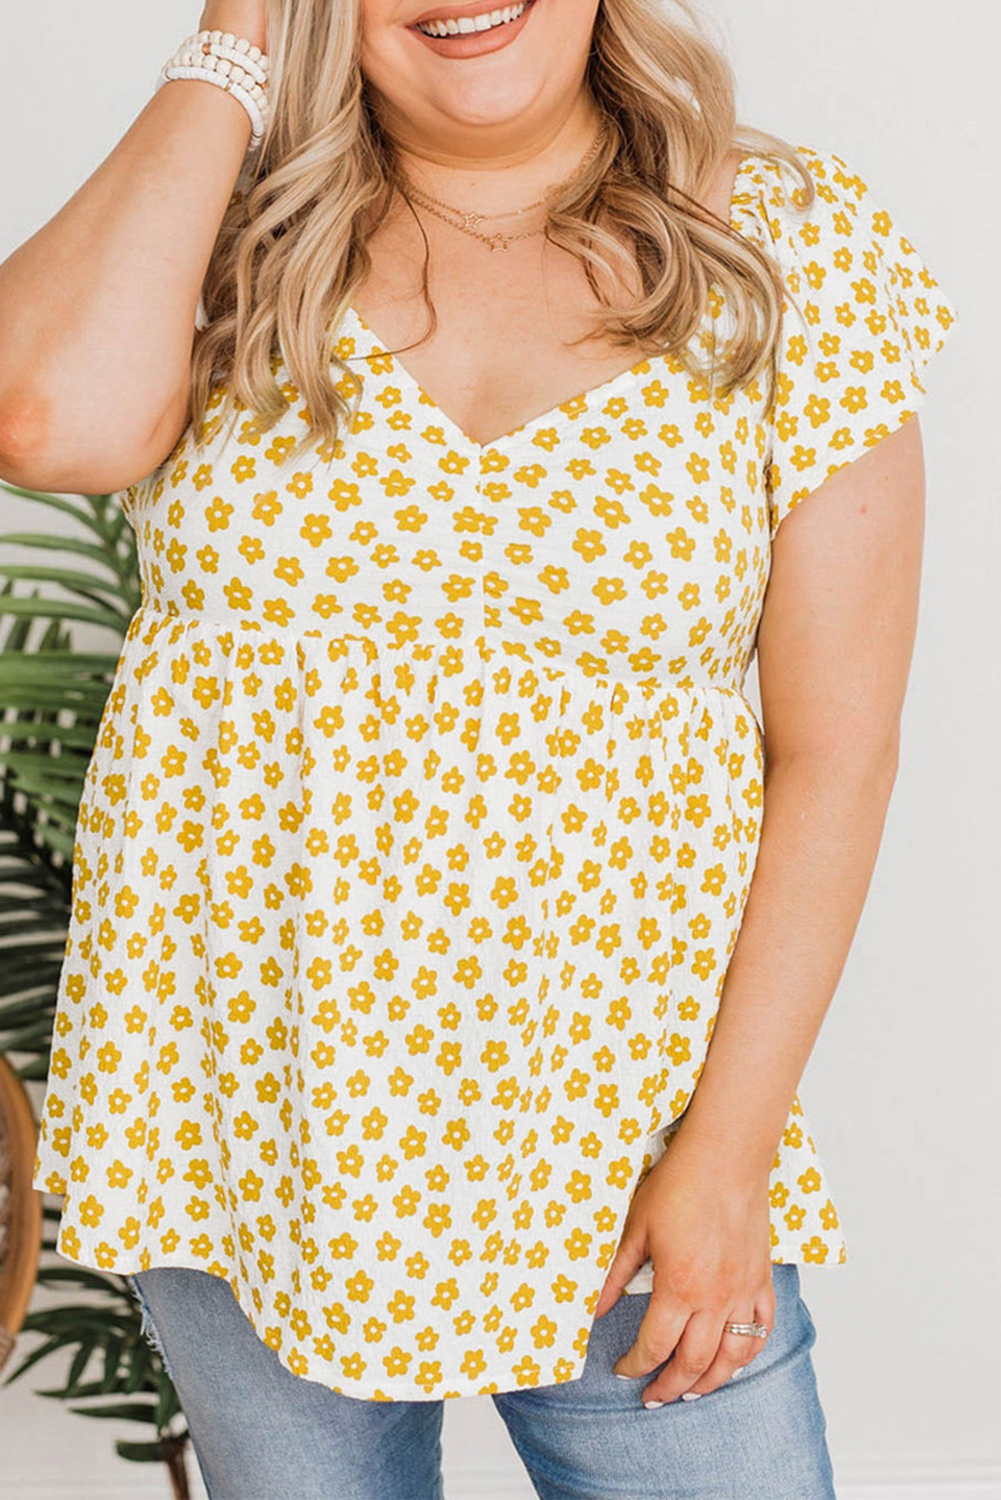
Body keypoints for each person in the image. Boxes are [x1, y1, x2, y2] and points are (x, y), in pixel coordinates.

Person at [2, 0, 957, 1495]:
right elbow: (42, 419)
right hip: (253, 1122)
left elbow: (837, 749)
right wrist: (238, 38)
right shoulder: (221, 240)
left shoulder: (784, 244)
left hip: (627, 1131)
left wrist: (725, 1157)